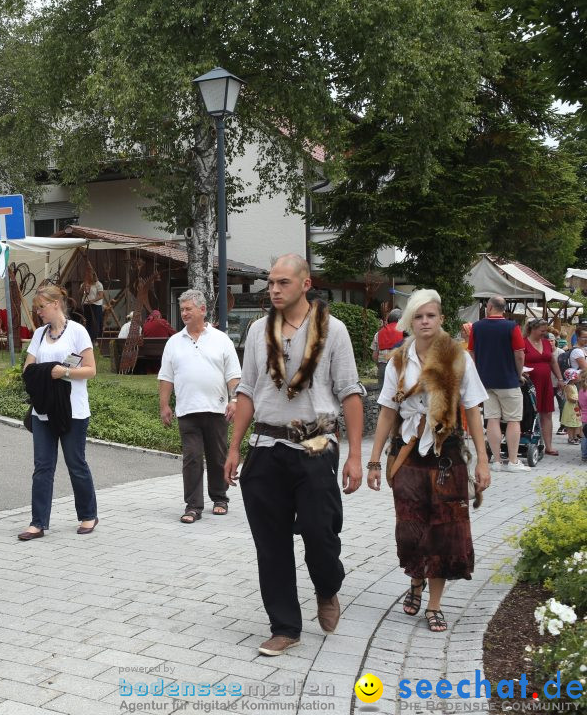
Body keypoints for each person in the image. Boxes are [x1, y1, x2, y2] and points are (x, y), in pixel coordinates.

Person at [224, 254, 365, 657]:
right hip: (266, 445)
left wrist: (356, 456)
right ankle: (285, 626)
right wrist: (234, 447)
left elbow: (351, 392)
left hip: (316, 441)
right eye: (271, 282)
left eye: (283, 282)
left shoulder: (332, 330)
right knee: (271, 544)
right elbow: (248, 391)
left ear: (305, 284)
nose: (274, 289)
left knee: (321, 533)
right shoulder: (256, 331)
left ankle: (327, 586)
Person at [366, 289, 490, 634]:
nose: (425, 322)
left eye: (431, 315)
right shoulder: (399, 361)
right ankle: (415, 579)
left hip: (446, 454)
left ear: (441, 319)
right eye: (419, 316)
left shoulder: (459, 358)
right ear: (410, 321)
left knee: (445, 533)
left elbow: (473, 410)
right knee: (410, 529)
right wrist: (374, 461)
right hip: (407, 452)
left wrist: (483, 461)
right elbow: (388, 410)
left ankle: (434, 604)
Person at [18, 284, 99, 541]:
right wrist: (46, 372)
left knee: (76, 463)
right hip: (43, 410)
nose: (39, 312)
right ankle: (38, 522)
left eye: (41, 307)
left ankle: (88, 514)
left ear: (56, 304)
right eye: (36, 308)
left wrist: (62, 372)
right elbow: (27, 368)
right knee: (42, 466)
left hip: (73, 410)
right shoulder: (40, 334)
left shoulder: (77, 332)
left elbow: (90, 370)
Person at [158, 290, 241, 523]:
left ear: (202, 310)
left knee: (217, 456)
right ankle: (193, 506)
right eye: (182, 309)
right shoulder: (174, 342)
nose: (183, 313)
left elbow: (234, 376)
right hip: (187, 410)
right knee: (192, 457)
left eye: (188, 309)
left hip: (217, 410)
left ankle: (220, 498)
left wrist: (234, 400)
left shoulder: (221, 340)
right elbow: (166, 377)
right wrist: (164, 405)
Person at [467, 297, 527, 471]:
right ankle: (514, 461)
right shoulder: (511, 327)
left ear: (490, 307)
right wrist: (519, 373)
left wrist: (478, 373)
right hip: (508, 380)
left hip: (485, 380)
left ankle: (497, 461)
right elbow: (519, 354)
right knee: (513, 420)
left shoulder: (477, 327)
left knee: (492, 419)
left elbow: (471, 352)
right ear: (503, 309)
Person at [522, 319, 561, 456]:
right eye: (542, 331)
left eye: (546, 331)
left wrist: (560, 378)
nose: (544, 334)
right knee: (529, 412)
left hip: (546, 382)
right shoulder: (523, 342)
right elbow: (518, 360)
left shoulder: (545, 343)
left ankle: (548, 446)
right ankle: (527, 441)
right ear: (533, 329)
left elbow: (553, 362)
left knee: (547, 413)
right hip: (529, 383)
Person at [371, 308, 404, 385]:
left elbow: (374, 356)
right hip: (398, 368)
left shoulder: (378, 334)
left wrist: (380, 366)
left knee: (382, 394)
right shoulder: (404, 333)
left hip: (383, 367)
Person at [80, 269, 105, 341]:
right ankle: (88, 337)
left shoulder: (98, 284)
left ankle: (96, 338)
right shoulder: (84, 284)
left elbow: (101, 296)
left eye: (90, 275)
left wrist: (92, 301)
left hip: (96, 305)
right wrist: (83, 287)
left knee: (96, 321)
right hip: (86, 305)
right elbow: (80, 294)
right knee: (87, 321)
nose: (88, 277)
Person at [560, 369, 581, 444]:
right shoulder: (569, 387)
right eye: (577, 376)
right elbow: (569, 398)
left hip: (576, 407)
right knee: (570, 424)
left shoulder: (574, 386)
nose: (578, 377)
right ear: (573, 378)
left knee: (576, 422)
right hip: (571, 408)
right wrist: (578, 400)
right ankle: (570, 437)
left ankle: (575, 436)